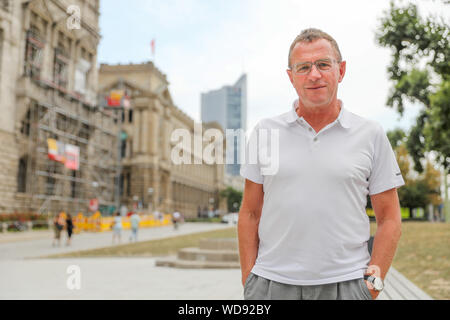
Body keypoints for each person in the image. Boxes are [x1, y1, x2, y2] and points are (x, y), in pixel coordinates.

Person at [238, 28, 405, 300]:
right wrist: (250, 281)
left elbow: (389, 219)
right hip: (271, 285)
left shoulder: (370, 134)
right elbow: (250, 214)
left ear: (341, 71)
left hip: (347, 285)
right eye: (303, 67)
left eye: (323, 64)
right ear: (291, 77)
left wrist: (371, 287)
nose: (314, 75)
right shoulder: (264, 132)